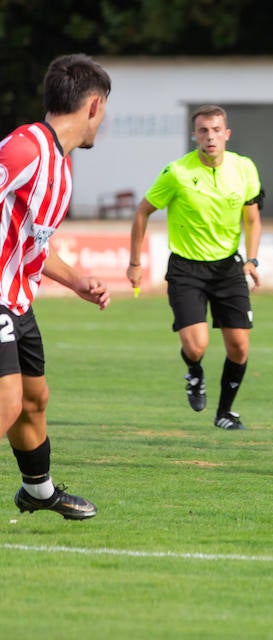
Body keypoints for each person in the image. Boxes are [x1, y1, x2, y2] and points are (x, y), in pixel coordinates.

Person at [2, 54, 112, 520]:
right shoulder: (23, 149)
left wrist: (77, 280)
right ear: (92, 106)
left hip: (19, 301)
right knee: (7, 401)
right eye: (103, 111)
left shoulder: (61, 169)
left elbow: (33, 247)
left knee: (34, 399)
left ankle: (39, 491)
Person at [127, 105, 263, 431]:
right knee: (196, 345)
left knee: (240, 347)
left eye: (216, 129)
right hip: (186, 269)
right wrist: (134, 262)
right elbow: (142, 212)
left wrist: (253, 259)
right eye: (203, 130)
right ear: (194, 135)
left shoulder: (245, 169)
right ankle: (194, 371)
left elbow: (254, 218)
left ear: (227, 133)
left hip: (228, 268)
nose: (210, 136)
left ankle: (225, 413)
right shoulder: (177, 172)